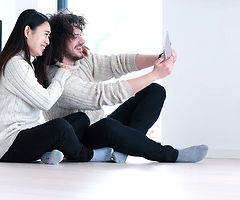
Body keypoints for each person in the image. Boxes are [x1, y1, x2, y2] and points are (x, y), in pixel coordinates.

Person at [43, 9, 208, 163]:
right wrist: (155, 74)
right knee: (107, 126)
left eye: (81, 35)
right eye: (75, 36)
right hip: (79, 138)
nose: (82, 40)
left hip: (100, 126)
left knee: (155, 91)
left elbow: (117, 63)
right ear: (59, 41)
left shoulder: (82, 60)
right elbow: (101, 95)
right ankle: (171, 154)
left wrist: (159, 58)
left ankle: (124, 149)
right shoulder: (56, 78)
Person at [0, 9, 113, 165]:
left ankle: (48, 153)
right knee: (59, 127)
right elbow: (45, 102)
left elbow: (51, 58)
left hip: (23, 136)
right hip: (7, 145)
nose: (48, 41)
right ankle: (88, 155)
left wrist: (77, 55)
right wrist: (62, 74)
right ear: (27, 31)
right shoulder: (16, 64)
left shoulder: (26, 63)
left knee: (80, 119)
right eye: (45, 34)